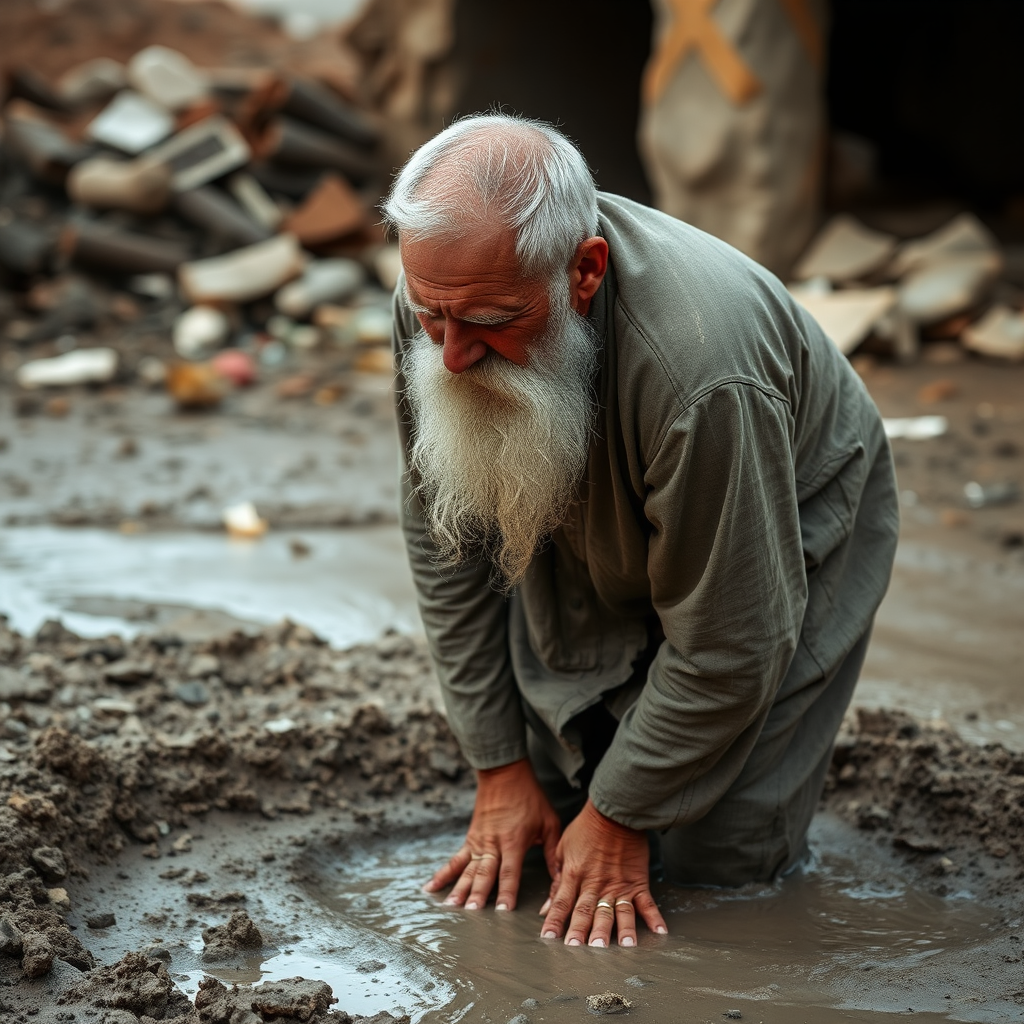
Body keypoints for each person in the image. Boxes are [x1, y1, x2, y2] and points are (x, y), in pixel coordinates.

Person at [384, 112, 899, 949]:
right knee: (550, 810)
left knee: (719, 870)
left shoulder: (706, 377)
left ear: (584, 272)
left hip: (773, 507)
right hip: (582, 490)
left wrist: (621, 813)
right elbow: (448, 542)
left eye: (488, 321)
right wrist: (498, 764)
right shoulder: (450, 297)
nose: (449, 357)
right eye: (431, 317)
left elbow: (735, 640)